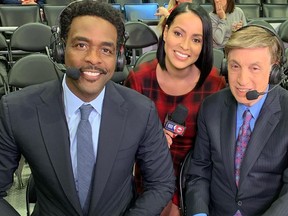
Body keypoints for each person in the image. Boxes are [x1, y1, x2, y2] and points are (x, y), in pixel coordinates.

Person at [0, 1, 175, 216]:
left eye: (105, 49)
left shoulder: (141, 111)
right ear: (61, 49)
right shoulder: (16, 110)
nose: (93, 59)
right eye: (81, 45)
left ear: (118, 58)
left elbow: (162, 183)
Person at [125, 3, 226, 216]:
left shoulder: (215, 86)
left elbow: (215, 155)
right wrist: (147, 143)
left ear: (204, 45)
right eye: (179, 33)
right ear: (165, 31)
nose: (185, 46)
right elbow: (122, 148)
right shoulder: (139, 81)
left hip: (196, 186)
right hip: (148, 187)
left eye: (196, 39)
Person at [185, 25, 288, 216]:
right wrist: (199, 212)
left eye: (254, 68)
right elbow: (199, 171)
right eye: (235, 66)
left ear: (275, 71)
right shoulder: (211, 107)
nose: (242, 80)